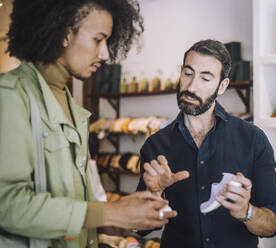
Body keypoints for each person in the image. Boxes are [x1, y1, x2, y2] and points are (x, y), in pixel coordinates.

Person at [0, 1, 176, 247]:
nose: (105, 54)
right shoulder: (9, 96)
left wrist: (113, 218)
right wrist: (107, 213)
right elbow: (6, 204)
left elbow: (71, 206)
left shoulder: (72, 107)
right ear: (64, 34)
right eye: (98, 39)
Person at [137, 39, 276, 248]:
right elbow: (143, 228)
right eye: (188, 74)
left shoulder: (253, 140)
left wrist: (246, 211)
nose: (191, 86)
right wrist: (154, 194)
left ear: (222, 86)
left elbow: (274, 224)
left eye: (205, 78)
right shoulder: (155, 145)